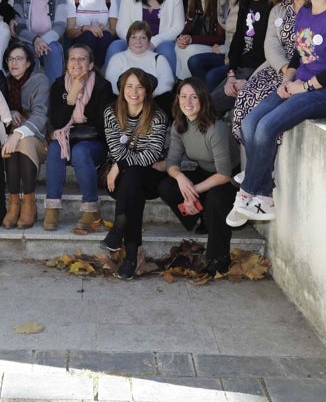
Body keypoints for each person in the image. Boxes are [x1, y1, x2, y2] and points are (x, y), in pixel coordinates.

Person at [227, 0, 326, 226]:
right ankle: (264, 198)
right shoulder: (306, 12)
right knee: (251, 121)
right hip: (301, 84)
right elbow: (300, 53)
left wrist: (306, 86)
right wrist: (289, 79)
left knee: (267, 126)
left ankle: (247, 192)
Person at [159, 78, 239, 277]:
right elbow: (172, 163)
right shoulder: (180, 125)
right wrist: (180, 178)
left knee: (216, 198)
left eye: (194, 97)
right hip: (205, 172)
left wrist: (191, 192)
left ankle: (219, 257)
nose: (188, 102)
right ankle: (199, 219)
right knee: (167, 186)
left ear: (203, 100)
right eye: (184, 97)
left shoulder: (215, 127)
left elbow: (224, 174)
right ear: (177, 99)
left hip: (230, 177)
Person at [101, 68, 169, 280]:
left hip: (150, 178)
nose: (134, 91)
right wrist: (120, 165)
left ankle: (118, 228)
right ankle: (130, 257)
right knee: (133, 184)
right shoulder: (111, 113)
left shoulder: (157, 116)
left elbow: (152, 155)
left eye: (139, 87)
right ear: (121, 89)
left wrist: (119, 165)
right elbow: (116, 149)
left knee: (136, 176)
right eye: (129, 86)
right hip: (119, 182)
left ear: (147, 91)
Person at [231, 0, 306, 138]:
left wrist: (292, 71)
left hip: (304, 67)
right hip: (277, 66)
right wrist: (284, 67)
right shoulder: (279, 9)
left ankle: (263, 151)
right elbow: (271, 45)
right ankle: (250, 154)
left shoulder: (315, 6)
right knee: (246, 94)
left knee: (264, 100)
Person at [43, 43, 114, 232]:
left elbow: (103, 125)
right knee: (55, 148)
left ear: (90, 64)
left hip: (95, 143)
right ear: (67, 63)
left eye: (82, 58)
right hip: (66, 139)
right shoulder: (59, 85)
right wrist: (72, 95)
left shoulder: (102, 86)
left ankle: (91, 208)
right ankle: (52, 206)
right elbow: (57, 123)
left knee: (81, 151)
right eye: (72, 58)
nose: (76, 62)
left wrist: (80, 125)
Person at [0, 40, 51, 229]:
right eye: (10, 59)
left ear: (29, 62)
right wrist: (9, 112)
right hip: (11, 141)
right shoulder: (4, 83)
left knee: (23, 142)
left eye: (19, 58)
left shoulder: (39, 81)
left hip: (39, 140)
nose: (14, 63)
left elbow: (40, 115)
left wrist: (18, 133)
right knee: (12, 144)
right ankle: (13, 203)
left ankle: (28, 203)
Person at [210, 0, 272, 111]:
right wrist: (231, 74)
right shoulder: (246, 1)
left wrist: (249, 79)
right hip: (239, 70)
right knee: (206, 103)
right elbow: (237, 40)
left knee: (209, 107)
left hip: (257, 72)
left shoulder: (272, 4)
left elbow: (271, 50)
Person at [110, 0, 185, 66]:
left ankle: (168, 83)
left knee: (166, 50)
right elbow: (121, 27)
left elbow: (178, 27)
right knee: (115, 46)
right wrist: (137, 41)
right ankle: (109, 82)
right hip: (134, 41)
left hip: (162, 42)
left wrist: (153, 42)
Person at [8, 0, 71, 82]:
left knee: (53, 49)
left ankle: (55, 91)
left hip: (50, 41)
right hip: (27, 40)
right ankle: (32, 93)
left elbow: (60, 26)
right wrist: (35, 40)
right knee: (26, 51)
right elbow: (19, 26)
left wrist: (42, 41)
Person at [186, 0, 239, 85]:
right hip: (226, 51)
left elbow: (240, 35)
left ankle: (208, 100)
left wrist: (224, 50)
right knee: (194, 61)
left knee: (211, 76)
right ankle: (202, 97)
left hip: (238, 55)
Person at [104, 21, 175, 103]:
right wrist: (131, 97)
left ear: (149, 41)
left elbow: (166, 83)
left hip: (152, 102)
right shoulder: (117, 59)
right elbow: (111, 83)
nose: (138, 41)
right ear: (128, 40)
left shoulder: (159, 59)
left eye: (143, 37)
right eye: (134, 37)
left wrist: (145, 97)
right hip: (124, 102)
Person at [174, 0, 222, 78]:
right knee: (179, 46)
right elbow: (187, 28)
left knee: (191, 49)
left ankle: (192, 85)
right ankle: (183, 83)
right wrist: (182, 38)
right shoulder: (195, 2)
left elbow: (220, 38)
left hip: (217, 48)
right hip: (200, 44)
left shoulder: (220, 2)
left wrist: (192, 39)